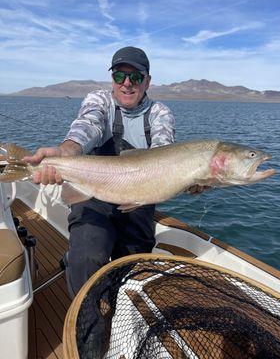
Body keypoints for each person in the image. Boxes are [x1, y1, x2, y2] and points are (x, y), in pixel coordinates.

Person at [24, 46, 176, 298]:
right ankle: (86, 327)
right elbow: (87, 126)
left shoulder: (160, 114)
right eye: (119, 76)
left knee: (133, 264)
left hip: (138, 198)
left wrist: (190, 179)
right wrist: (65, 152)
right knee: (87, 257)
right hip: (92, 193)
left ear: (147, 81)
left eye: (135, 77)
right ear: (112, 79)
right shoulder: (100, 101)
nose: (127, 84)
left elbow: (165, 155)